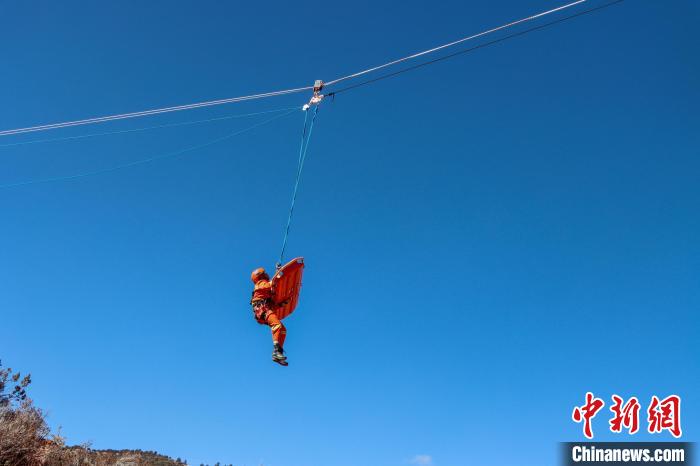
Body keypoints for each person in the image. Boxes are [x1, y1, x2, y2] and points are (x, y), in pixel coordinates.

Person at [250, 267, 288, 366]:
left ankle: (279, 351)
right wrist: (278, 275)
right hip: (262, 311)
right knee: (277, 325)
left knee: (283, 329)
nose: (267, 274)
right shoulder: (260, 283)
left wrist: (282, 304)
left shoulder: (266, 294)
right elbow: (270, 285)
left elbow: (272, 305)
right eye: (265, 273)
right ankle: (276, 352)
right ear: (260, 276)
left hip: (264, 312)